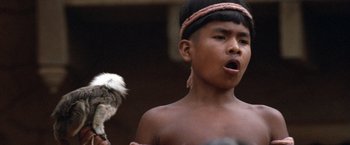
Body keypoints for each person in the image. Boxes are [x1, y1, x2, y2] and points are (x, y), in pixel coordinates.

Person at [78, 0, 294, 145]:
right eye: (220, 37)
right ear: (186, 49)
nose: (235, 47)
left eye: (243, 40)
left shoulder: (269, 120)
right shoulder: (158, 122)